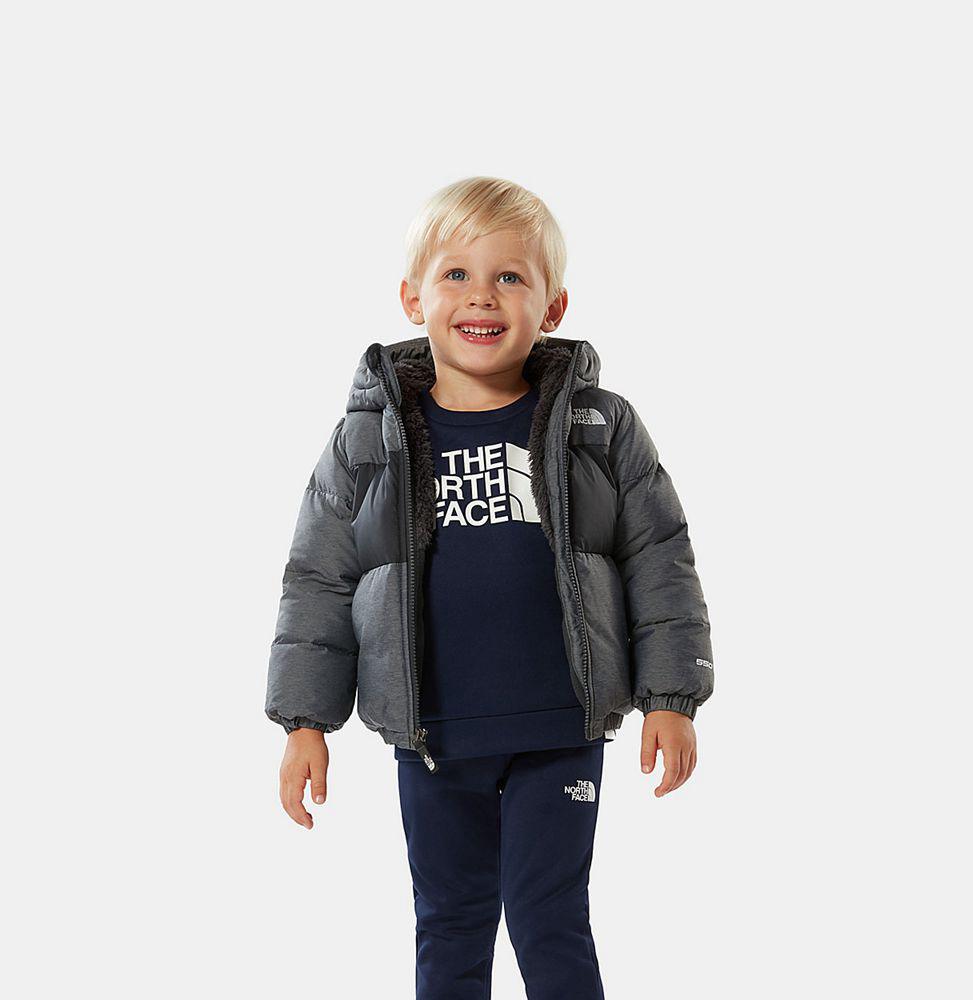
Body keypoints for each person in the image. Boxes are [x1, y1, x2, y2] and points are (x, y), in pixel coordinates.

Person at [264, 176, 715, 999]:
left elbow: (660, 559)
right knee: (450, 921)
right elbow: (319, 581)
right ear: (413, 299)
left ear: (553, 306)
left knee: (549, 917)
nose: (482, 295)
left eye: (510, 276)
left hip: (560, 725)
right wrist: (304, 722)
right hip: (433, 733)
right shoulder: (368, 441)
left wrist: (670, 698)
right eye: (456, 274)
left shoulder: (599, 428)